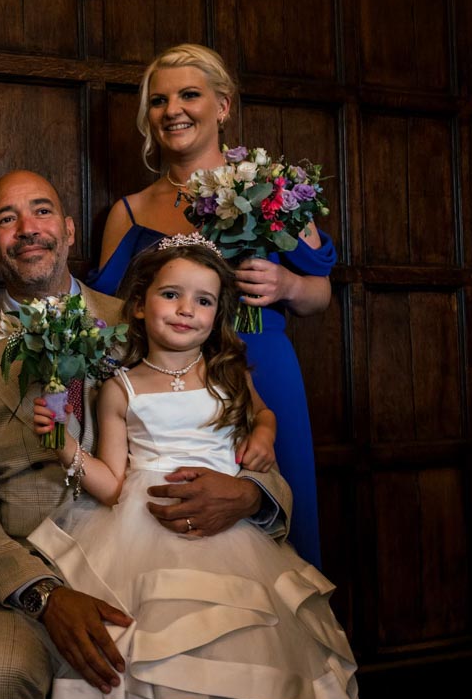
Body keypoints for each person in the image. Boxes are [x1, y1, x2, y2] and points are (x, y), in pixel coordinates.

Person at [0, 170, 294, 699]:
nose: (29, 229)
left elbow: (235, 428)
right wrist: (47, 596)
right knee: (1, 672)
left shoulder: (152, 315)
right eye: (7, 219)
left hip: (169, 550)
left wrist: (249, 494)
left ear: (70, 231)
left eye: (43, 211)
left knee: (243, 666)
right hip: (37, 568)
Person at [30, 236, 359, 699]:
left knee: (224, 663)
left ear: (217, 313)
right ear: (139, 305)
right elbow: (114, 486)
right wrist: (64, 448)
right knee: (146, 677)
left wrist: (265, 434)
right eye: (171, 295)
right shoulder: (122, 386)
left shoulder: (227, 370)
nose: (187, 310)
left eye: (203, 301)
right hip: (139, 533)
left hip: (226, 539)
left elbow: (262, 412)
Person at [88, 43, 335, 567]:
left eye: (190, 95)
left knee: (280, 525)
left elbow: (321, 295)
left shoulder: (275, 191)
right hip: (170, 386)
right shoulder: (129, 212)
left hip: (264, 366)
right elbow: (107, 313)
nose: (172, 109)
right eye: (158, 100)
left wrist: (287, 286)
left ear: (222, 106)